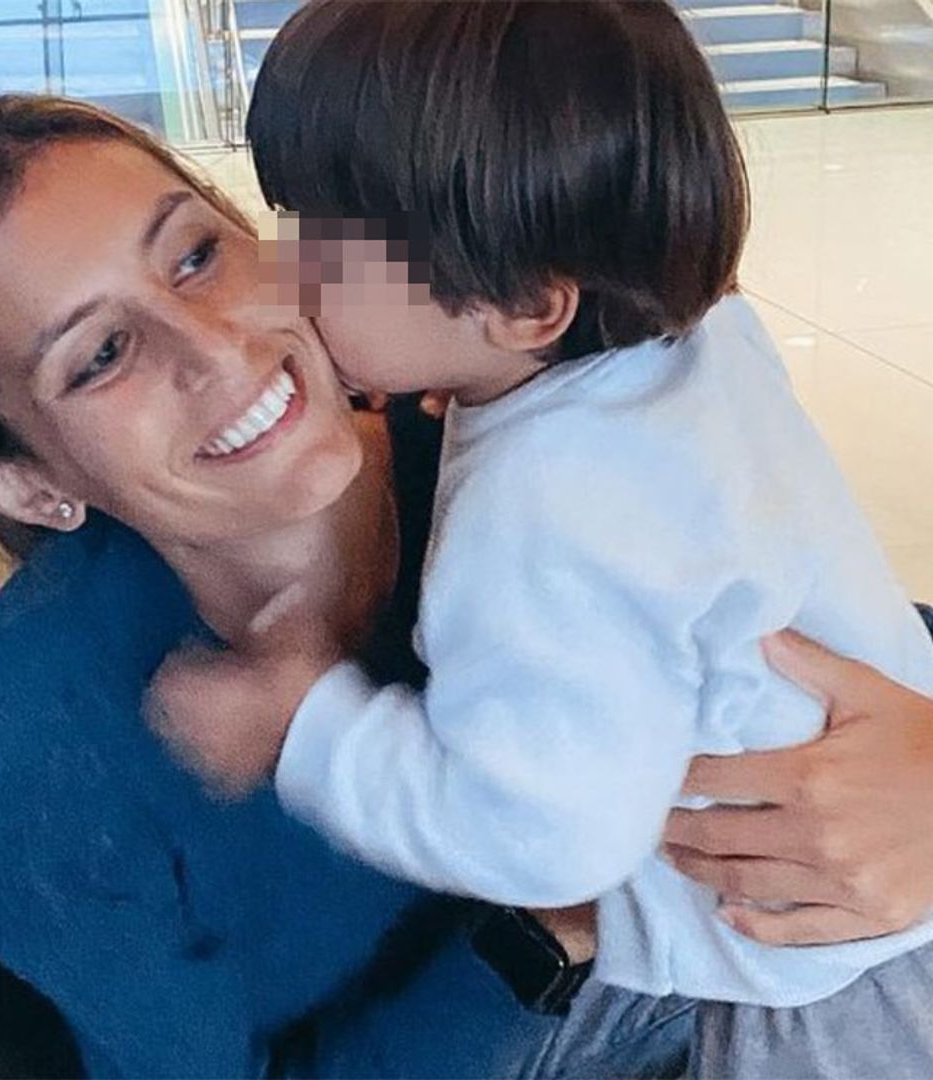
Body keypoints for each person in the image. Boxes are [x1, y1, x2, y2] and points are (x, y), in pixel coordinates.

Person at [0, 94, 933, 1080]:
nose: (217, 350)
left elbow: (799, 602)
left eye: (194, 257)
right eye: (99, 357)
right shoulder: (36, 756)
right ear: (20, 478)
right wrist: (550, 922)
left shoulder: (518, 438)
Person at [148, 3, 933, 1077]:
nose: (290, 275)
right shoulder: (689, 339)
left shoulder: (540, 523)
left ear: (528, 306)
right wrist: (464, 377)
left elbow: (544, 838)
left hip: (818, 968)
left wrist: (310, 729)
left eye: (331, 242)